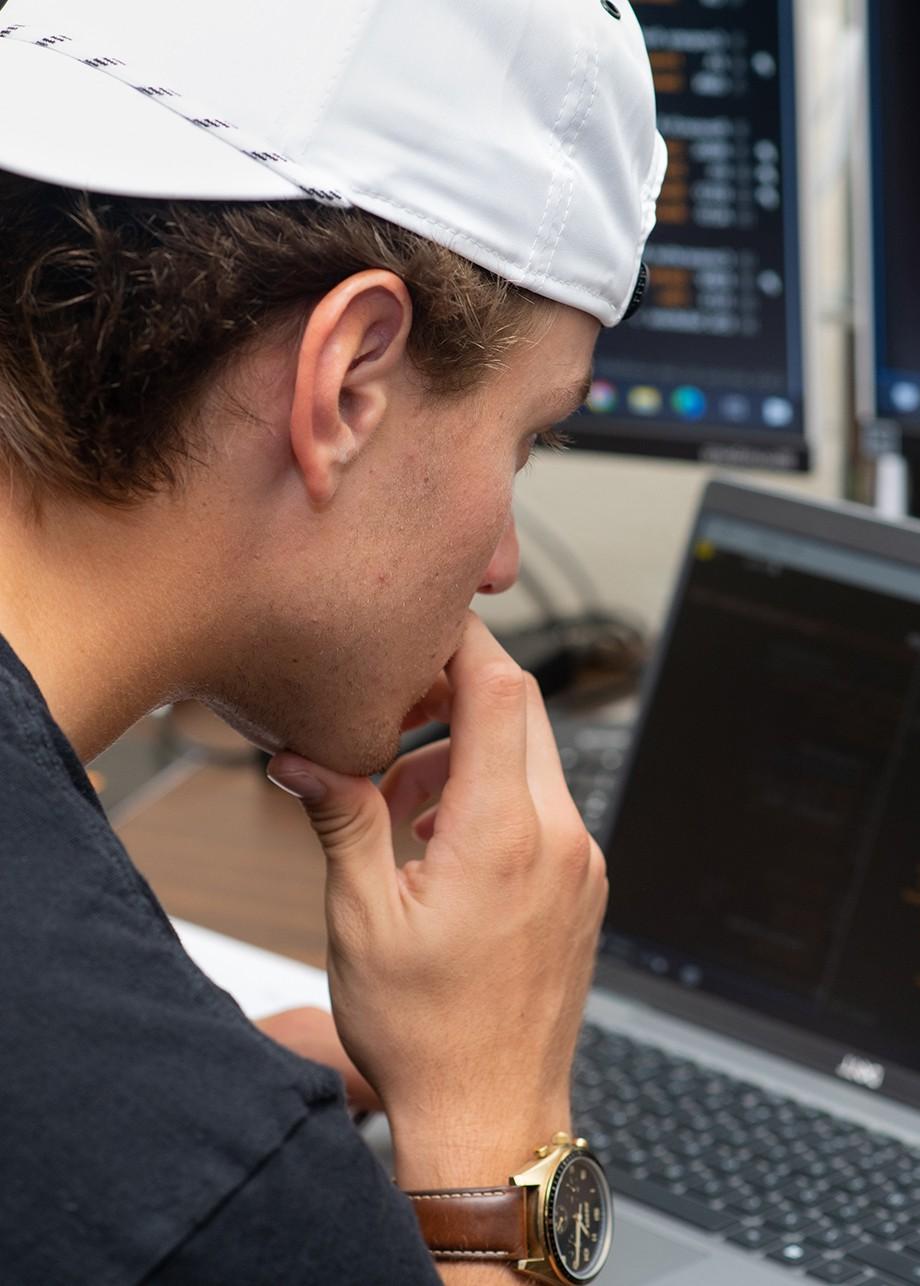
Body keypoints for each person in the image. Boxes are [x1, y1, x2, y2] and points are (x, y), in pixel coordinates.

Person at [0, 0, 665, 1281]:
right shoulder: (199, 1177)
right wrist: (497, 1126)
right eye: (525, 437)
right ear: (346, 385)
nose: (502, 561)